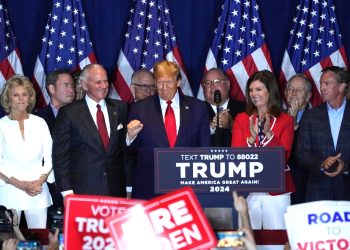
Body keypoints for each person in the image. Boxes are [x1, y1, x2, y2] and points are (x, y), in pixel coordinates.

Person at [126, 60, 210, 200]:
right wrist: (130, 137)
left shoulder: (198, 108)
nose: (164, 88)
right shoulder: (139, 108)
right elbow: (130, 152)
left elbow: (205, 149)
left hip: (186, 188)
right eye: (159, 83)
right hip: (149, 189)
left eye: (169, 82)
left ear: (178, 82)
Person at [231, 70, 295, 229]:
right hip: (248, 190)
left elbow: (284, 157)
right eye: (251, 90)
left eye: (258, 89)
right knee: (247, 238)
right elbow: (235, 155)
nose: (253, 94)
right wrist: (251, 141)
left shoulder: (285, 120)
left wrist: (268, 134)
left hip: (276, 191)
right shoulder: (241, 118)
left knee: (277, 241)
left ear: (270, 91)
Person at [52, 64, 127, 198]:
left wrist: (129, 188)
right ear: (84, 85)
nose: (104, 86)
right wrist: (66, 192)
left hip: (116, 191)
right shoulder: (69, 113)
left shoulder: (120, 108)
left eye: (105, 81)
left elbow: (125, 152)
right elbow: (60, 156)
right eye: (98, 82)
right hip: (82, 191)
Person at [0, 75, 54, 228]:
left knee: (39, 238)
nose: (21, 99)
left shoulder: (40, 123)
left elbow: (50, 156)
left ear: (30, 97)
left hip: (37, 189)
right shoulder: (1, 125)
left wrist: (39, 181)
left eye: (24, 94)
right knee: (9, 240)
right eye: (15, 95)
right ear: (8, 99)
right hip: (9, 190)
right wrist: (20, 184)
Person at [296, 66, 350, 201]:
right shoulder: (310, 116)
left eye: (327, 83)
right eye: (321, 83)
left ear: (342, 86)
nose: (322, 88)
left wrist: (345, 166)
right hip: (318, 192)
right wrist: (321, 164)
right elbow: (301, 153)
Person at [284, 74, 312, 204]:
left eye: (299, 90)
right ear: (285, 92)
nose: (293, 93)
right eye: (291, 89)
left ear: (308, 96)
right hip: (281, 183)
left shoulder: (317, 117)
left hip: (307, 183)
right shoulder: (275, 115)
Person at [202, 68, 245, 147]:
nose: (212, 86)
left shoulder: (244, 108)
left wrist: (233, 125)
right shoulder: (195, 111)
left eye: (217, 82)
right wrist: (211, 127)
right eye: (208, 83)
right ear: (203, 88)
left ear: (228, 85)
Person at [35, 69, 75, 134]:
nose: (71, 90)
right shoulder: (37, 119)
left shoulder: (82, 116)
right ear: (52, 89)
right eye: (66, 85)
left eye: (72, 86)